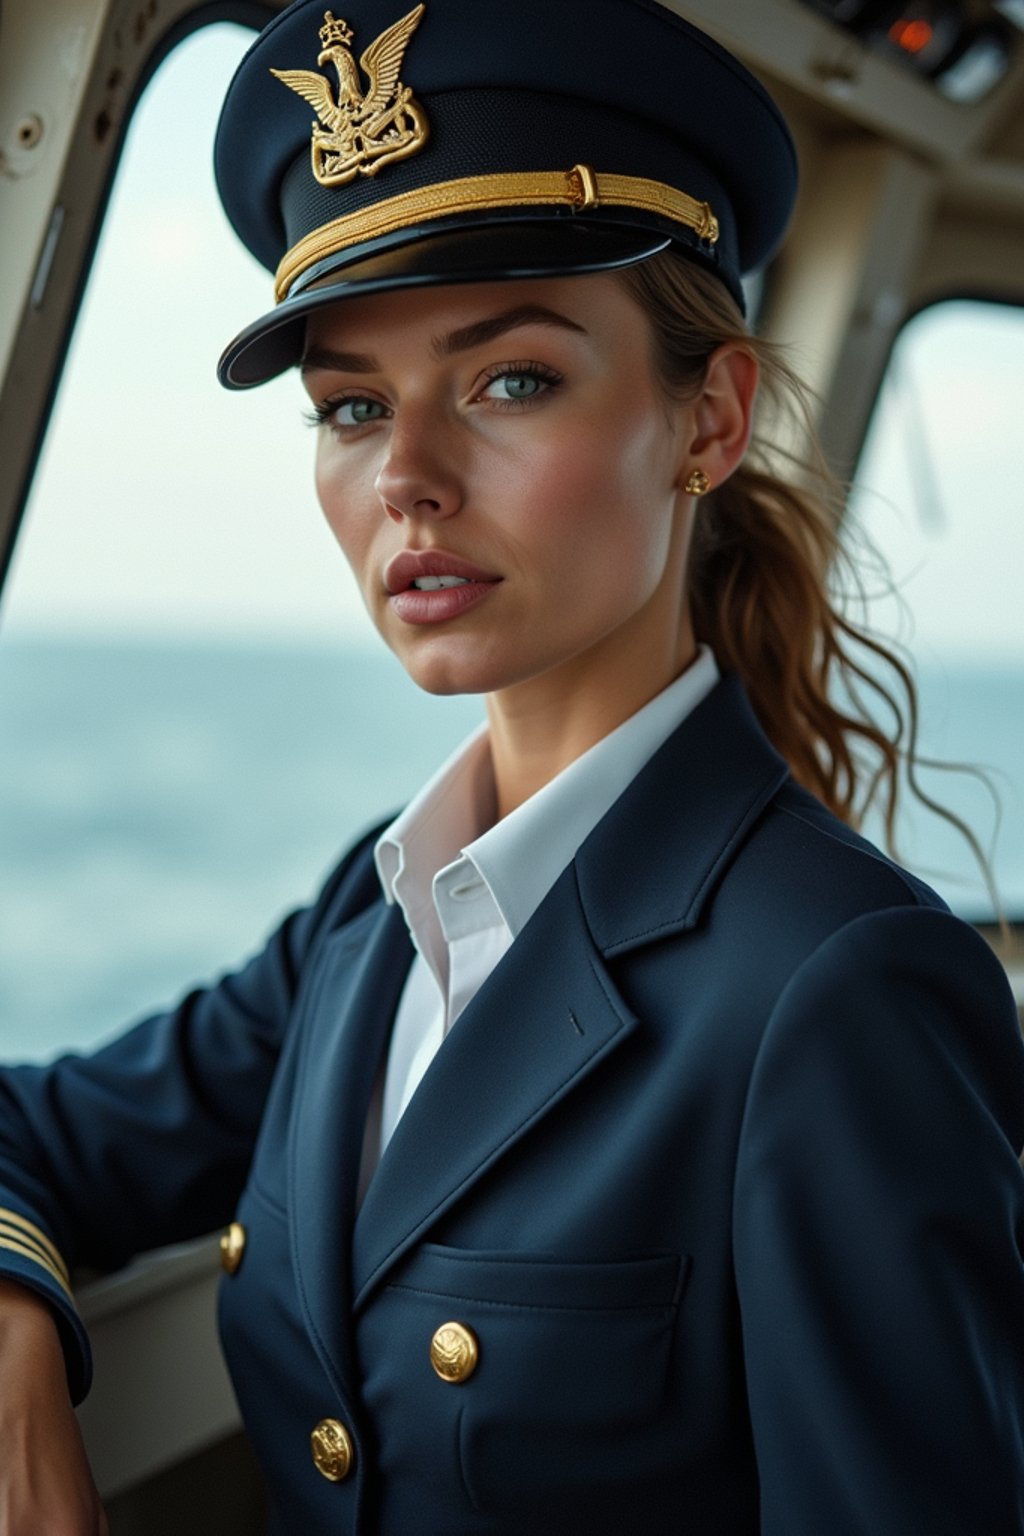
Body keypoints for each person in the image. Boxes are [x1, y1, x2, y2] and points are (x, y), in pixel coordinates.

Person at [1, 1, 1022, 1532]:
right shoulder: (375, 918)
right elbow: (38, 1127)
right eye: (350, 406)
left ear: (711, 417)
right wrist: (18, 1335)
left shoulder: (842, 991)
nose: (405, 476)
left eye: (511, 380)